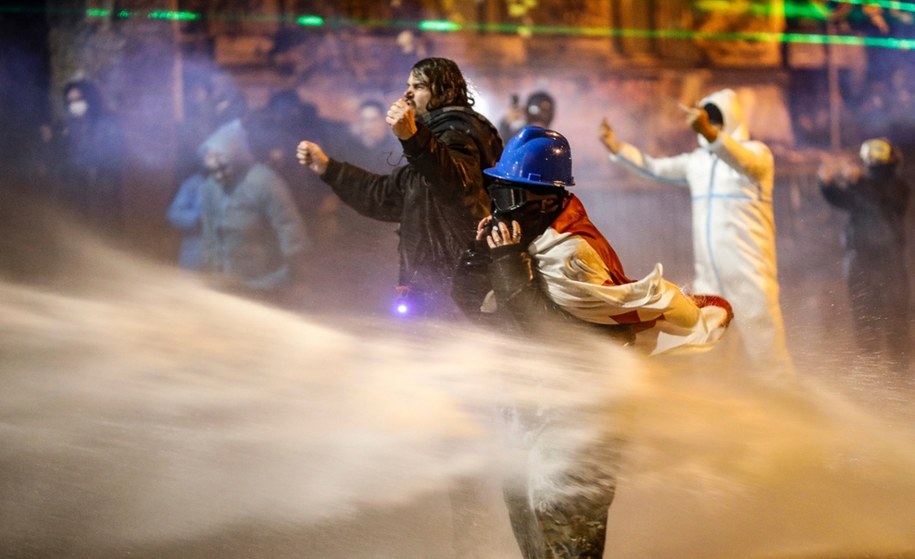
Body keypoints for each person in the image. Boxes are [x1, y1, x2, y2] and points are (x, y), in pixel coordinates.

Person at [452, 126, 733, 559]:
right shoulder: (529, 240)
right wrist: (480, 255)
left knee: (564, 510)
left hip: (587, 408)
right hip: (536, 399)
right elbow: (473, 306)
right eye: (498, 193)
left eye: (510, 198)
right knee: (523, 501)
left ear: (545, 199)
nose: (501, 209)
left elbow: (546, 330)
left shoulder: (571, 253)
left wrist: (505, 261)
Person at [598, 88, 792, 373]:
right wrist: (617, 147)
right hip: (710, 277)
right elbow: (654, 168)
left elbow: (741, 159)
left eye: (713, 118)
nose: (708, 124)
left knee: (767, 352)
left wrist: (710, 135)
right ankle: (721, 408)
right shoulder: (698, 162)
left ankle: (785, 404)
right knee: (710, 352)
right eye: (705, 119)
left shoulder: (757, 154)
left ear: (731, 117)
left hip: (750, 274)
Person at [296, 57, 503, 318]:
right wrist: (328, 168)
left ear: (445, 91)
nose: (407, 92)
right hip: (433, 284)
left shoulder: (458, 132)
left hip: (455, 286)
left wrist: (414, 138)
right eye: (408, 84)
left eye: (418, 86)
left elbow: (456, 182)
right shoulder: (435, 138)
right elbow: (384, 196)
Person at [818, 138, 911, 371]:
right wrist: (826, 183)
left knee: (894, 312)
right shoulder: (865, 185)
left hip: (890, 260)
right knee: (864, 312)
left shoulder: (898, 187)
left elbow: (881, 200)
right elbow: (842, 199)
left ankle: (897, 368)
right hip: (861, 259)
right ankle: (870, 365)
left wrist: (858, 181)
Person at [198, 118, 309, 304]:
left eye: (220, 155)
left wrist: (294, 276)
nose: (214, 161)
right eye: (209, 155)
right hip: (224, 283)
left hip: (263, 283)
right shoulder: (211, 187)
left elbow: (290, 229)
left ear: (236, 153)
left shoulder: (264, 181)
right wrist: (209, 270)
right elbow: (209, 232)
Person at [45, 78, 127, 237]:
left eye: (78, 99)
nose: (74, 104)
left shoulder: (107, 122)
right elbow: (63, 157)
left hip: (102, 189)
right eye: (70, 100)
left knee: (104, 232)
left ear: (90, 98)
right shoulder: (69, 125)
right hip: (78, 190)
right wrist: (54, 139)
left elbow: (115, 156)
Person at [165, 171, 206, 270]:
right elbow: (174, 215)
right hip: (195, 252)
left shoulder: (242, 183)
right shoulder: (194, 184)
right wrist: (198, 218)